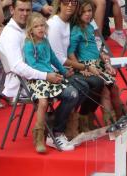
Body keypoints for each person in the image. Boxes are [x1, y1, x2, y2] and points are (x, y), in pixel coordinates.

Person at [0, 0, 81, 152]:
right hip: (24, 83)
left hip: (43, 75)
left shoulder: (29, 29)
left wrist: (61, 71)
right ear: (11, 9)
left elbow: (50, 57)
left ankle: (56, 126)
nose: (25, 14)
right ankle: (53, 132)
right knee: (69, 92)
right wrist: (46, 75)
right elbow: (18, 67)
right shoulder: (10, 34)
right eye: (21, 10)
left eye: (28, 10)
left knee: (74, 91)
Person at [47, 0, 103, 137]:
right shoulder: (54, 25)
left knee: (98, 82)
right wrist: (86, 67)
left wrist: (99, 58)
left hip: (69, 67)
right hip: (55, 71)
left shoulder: (69, 22)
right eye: (66, 2)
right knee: (86, 85)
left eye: (74, 2)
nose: (70, 4)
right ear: (59, 3)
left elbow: (77, 46)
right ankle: (59, 124)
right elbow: (58, 59)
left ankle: (80, 117)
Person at [23, 13, 75, 153]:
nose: (40, 28)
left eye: (42, 25)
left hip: (51, 76)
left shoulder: (45, 41)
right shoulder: (29, 44)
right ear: (30, 29)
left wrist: (64, 72)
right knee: (44, 102)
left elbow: (53, 58)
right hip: (38, 79)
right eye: (36, 26)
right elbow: (32, 65)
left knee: (72, 94)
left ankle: (59, 127)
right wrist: (47, 74)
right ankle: (39, 136)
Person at [68, 0, 124, 124]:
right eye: (84, 12)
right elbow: (71, 52)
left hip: (98, 62)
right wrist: (82, 68)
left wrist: (102, 56)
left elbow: (93, 47)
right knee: (104, 92)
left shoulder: (90, 26)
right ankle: (111, 124)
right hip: (88, 64)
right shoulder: (76, 30)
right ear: (78, 13)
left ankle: (121, 120)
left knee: (114, 88)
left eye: (89, 11)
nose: (88, 14)